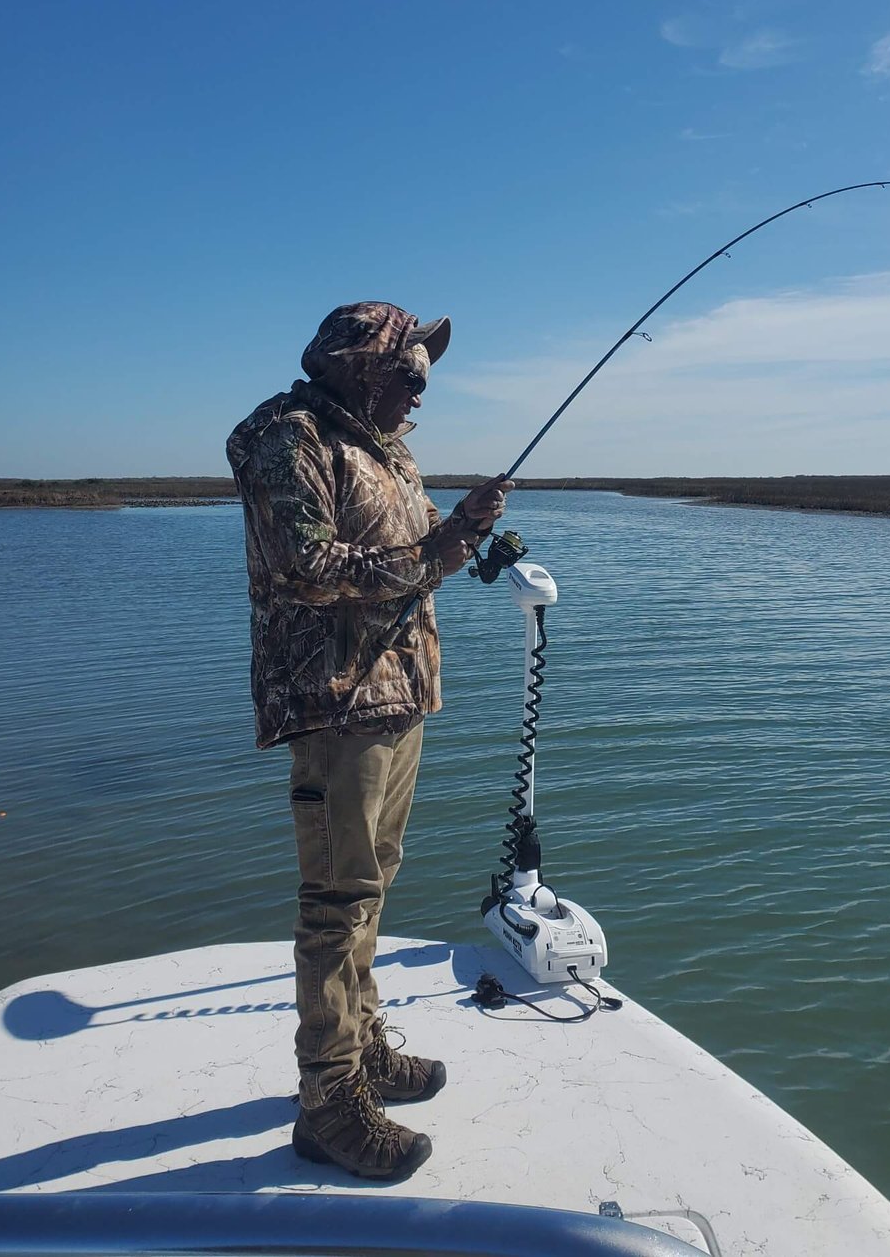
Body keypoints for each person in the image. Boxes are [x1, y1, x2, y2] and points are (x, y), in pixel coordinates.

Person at [226, 301, 512, 1181]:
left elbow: (419, 550)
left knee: (372, 886)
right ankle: (330, 1102)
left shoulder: (384, 448)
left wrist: (460, 530)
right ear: (361, 367)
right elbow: (309, 572)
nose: (420, 395)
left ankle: (362, 1047)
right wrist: (445, 544)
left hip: (397, 698)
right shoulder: (292, 439)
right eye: (409, 374)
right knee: (337, 900)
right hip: (337, 705)